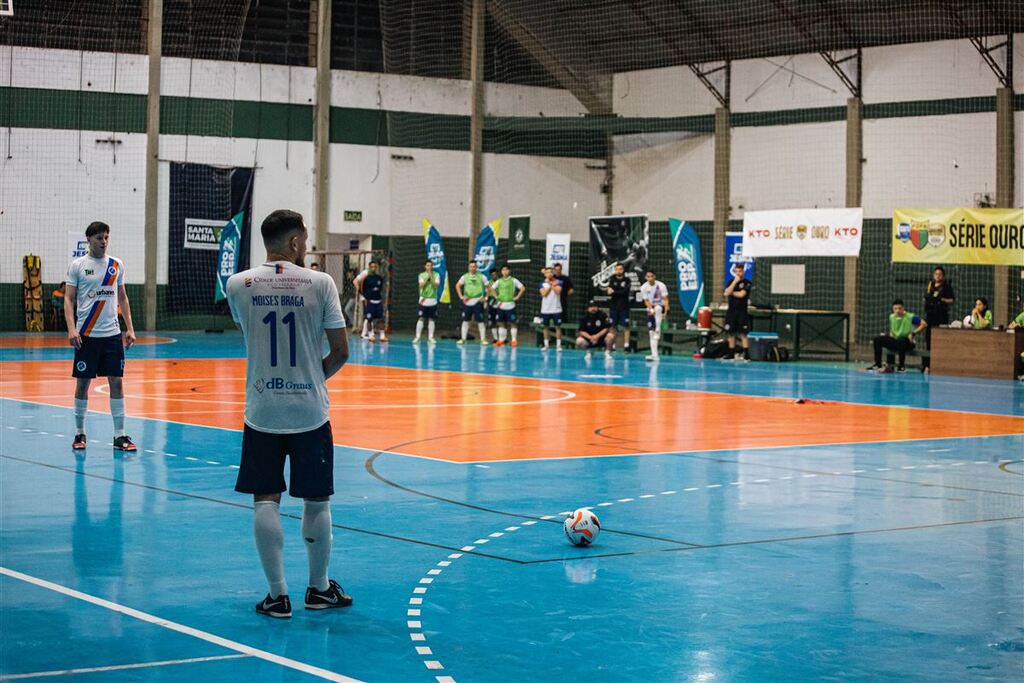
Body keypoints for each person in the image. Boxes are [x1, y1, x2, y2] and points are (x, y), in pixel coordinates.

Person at [226, 209, 352, 619]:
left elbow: (250, 334)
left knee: (266, 499)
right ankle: (318, 590)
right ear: (296, 243)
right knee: (317, 501)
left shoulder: (238, 284)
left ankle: (277, 595)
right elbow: (341, 351)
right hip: (309, 411)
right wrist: (313, 378)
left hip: (261, 408)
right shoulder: (321, 283)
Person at [64, 222, 137, 452]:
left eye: (106, 237)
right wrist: (71, 329)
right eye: (99, 238)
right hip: (86, 335)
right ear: (89, 239)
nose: (104, 241)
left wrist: (130, 328)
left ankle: (119, 435)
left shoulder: (116, 265)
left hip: (112, 335)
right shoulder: (78, 266)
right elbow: (68, 300)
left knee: (116, 381)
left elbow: (123, 298)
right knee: (83, 384)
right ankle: (79, 433)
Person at [867, 299, 927, 373]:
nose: (897, 311)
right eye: (895, 309)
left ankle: (901, 366)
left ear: (903, 308)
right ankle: (878, 364)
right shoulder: (892, 317)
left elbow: (924, 324)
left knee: (901, 340)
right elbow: (893, 331)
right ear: (893, 309)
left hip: (908, 342)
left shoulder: (910, 317)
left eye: (899, 308)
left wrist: (913, 333)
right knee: (877, 339)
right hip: (897, 341)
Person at [922, 266, 954, 371]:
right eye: (936, 274)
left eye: (940, 274)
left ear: (943, 276)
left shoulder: (946, 286)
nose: (937, 276)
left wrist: (943, 299)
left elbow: (952, 300)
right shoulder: (930, 285)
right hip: (930, 316)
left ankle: (939, 365)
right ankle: (926, 365)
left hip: (941, 316)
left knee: (940, 340)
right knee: (928, 340)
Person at [489, 264, 524, 347]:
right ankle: (501, 340)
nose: (505, 272)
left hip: (510, 305)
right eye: (503, 270)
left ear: (509, 271)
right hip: (501, 305)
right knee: (500, 323)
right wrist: (496, 296)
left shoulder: (513, 280)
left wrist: (517, 297)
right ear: (501, 272)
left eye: (506, 270)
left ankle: (514, 340)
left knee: (512, 323)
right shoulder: (499, 281)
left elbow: (522, 288)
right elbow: (491, 288)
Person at [723, 262, 753, 361]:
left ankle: (746, 354)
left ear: (743, 271)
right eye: (736, 271)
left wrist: (731, 292)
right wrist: (734, 283)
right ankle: (731, 353)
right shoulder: (731, 282)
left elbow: (741, 295)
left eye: (740, 271)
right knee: (731, 333)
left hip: (742, 312)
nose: (738, 273)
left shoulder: (747, 283)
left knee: (743, 333)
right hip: (731, 311)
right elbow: (727, 292)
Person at [455, 261, 489, 345]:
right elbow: (457, 285)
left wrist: (486, 297)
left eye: (474, 266)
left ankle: (483, 339)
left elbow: (489, 287)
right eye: (471, 266)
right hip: (467, 302)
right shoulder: (465, 277)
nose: (473, 268)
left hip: (478, 302)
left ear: (476, 267)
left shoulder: (482, 276)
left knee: (480, 321)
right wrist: (461, 296)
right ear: (469, 267)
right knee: (465, 320)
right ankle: (463, 339)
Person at [639, 270, 669, 362]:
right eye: (648, 276)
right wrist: (650, 309)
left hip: (661, 308)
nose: (650, 278)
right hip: (650, 309)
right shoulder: (644, 287)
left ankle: (658, 328)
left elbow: (665, 299)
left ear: (654, 277)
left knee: (658, 308)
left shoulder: (661, 285)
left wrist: (666, 313)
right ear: (646, 277)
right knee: (651, 333)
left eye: (651, 276)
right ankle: (654, 355)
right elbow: (646, 301)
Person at [354, 260, 387, 342]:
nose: (373, 268)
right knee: (369, 318)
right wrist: (363, 295)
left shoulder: (379, 278)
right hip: (369, 301)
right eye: (372, 267)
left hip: (378, 301)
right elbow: (358, 284)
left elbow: (380, 289)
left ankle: (382, 336)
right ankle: (370, 335)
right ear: (369, 267)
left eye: (375, 267)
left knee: (381, 319)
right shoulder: (365, 276)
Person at [605, 262, 632, 353]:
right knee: (613, 326)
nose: (618, 271)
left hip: (624, 307)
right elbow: (609, 291)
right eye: (617, 269)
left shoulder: (627, 280)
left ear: (623, 270)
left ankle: (626, 346)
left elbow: (624, 292)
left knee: (626, 326)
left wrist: (615, 291)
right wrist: (616, 291)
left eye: (620, 269)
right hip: (614, 306)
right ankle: (612, 345)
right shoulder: (612, 279)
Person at [413, 260, 440, 344]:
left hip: (433, 300)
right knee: (421, 318)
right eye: (428, 265)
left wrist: (431, 277)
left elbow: (436, 285)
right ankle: (417, 336)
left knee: (432, 319)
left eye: (431, 265)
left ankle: (431, 337)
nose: (429, 267)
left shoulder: (436, 275)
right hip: (423, 300)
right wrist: (427, 277)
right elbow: (421, 285)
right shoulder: (421, 275)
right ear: (425, 266)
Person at [538, 267, 563, 351]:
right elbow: (544, 294)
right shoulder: (542, 284)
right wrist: (549, 286)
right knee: (545, 327)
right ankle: (546, 345)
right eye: (547, 272)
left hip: (556, 309)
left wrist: (552, 284)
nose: (549, 274)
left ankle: (558, 346)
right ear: (545, 274)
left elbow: (558, 292)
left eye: (550, 272)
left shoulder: (559, 282)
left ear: (553, 273)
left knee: (558, 327)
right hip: (545, 309)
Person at [486, 267, 500, 342]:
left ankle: (501, 338)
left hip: (500, 303)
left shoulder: (500, 281)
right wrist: (487, 300)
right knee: (492, 321)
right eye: (492, 275)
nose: (494, 276)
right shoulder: (489, 283)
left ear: (497, 274)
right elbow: (487, 293)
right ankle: (495, 338)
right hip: (492, 303)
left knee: (501, 321)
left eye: (495, 274)